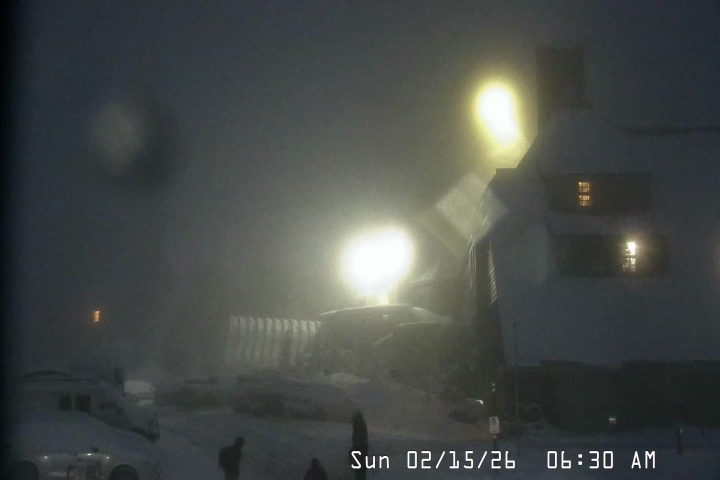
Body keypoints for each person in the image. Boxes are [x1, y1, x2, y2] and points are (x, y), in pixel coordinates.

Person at [349, 411, 369, 480]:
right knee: (361, 468)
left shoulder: (358, 425)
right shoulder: (361, 425)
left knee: (359, 468)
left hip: (360, 449)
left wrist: (353, 450)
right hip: (362, 448)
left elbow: (357, 440)